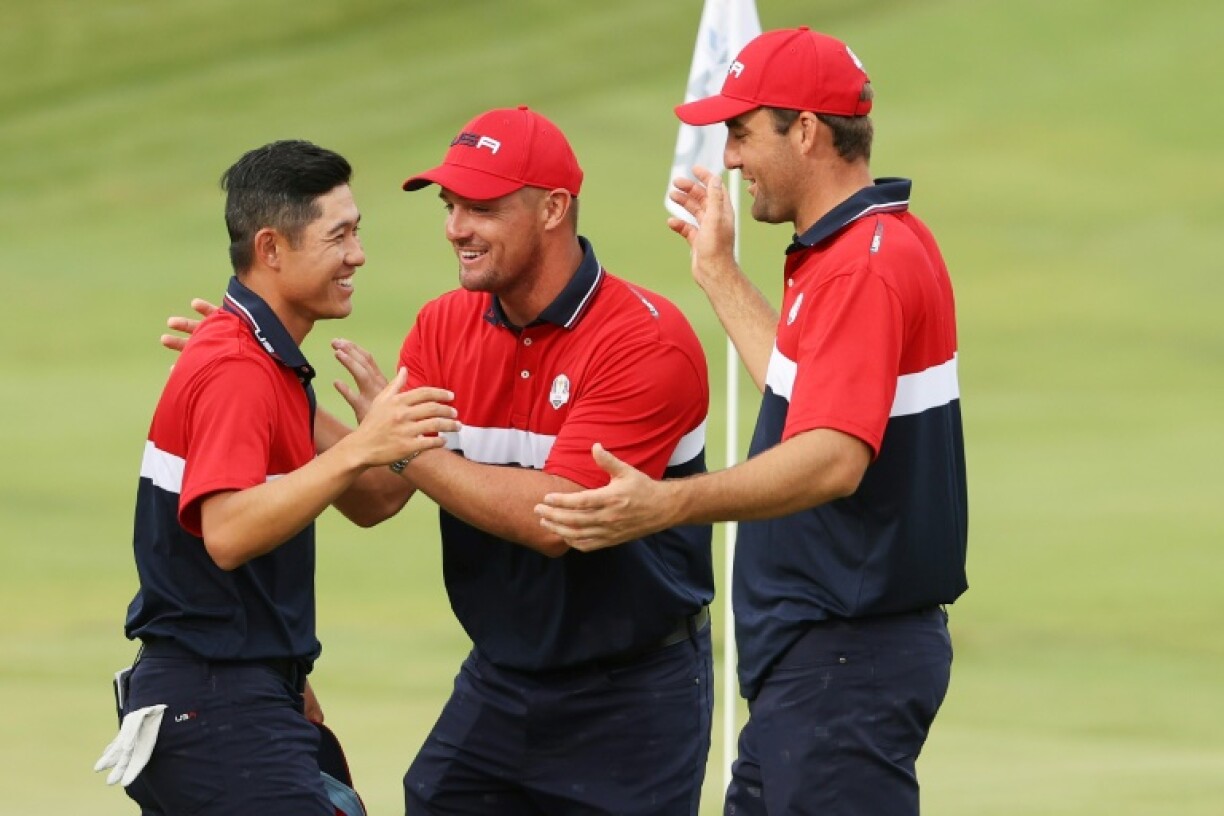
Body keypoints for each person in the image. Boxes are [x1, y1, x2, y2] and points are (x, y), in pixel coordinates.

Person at [165, 108, 716, 815]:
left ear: (553, 209)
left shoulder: (644, 341)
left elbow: (560, 519)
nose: (455, 227)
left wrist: (395, 447)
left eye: (482, 207)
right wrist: (268, 383)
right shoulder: (445, 324)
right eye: (450, 205)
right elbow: (375, 497)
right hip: (502, 676)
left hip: (633, 693)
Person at [536, 28, 968, 815]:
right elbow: (806, 395)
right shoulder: (858, 248)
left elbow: (834, 455)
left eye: (741, 133)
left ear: (805, 130)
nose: (730, 158)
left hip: (849, 652)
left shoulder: (862, 265)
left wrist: (669, 503)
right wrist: (718, 273)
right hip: (823, 661)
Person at [113, 139, 458, 815]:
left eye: (357, 232)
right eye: (340, 237)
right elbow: (228, 532)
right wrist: (358, 449)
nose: (357, 255)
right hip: (216, 707)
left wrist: (378, 443)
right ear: (271, 249)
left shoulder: (261, 362)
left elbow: (375, 500)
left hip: (236, 697)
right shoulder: (239, 367)